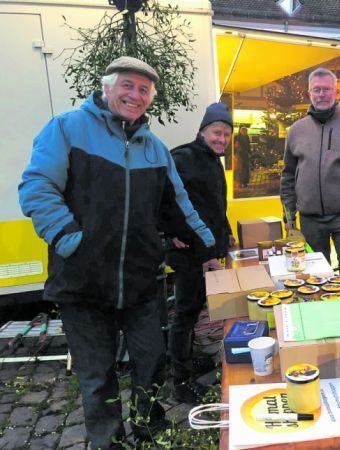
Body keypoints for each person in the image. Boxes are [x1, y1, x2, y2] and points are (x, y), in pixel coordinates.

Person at [18, 56, 215, 450]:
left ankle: (146, 426)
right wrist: (71, 239)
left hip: (140, 281)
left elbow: (177, 204)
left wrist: (208, 244)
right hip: (83, 282)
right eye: (127, 85)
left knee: (151, 360)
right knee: (97, 376)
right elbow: (37, 187)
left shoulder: (154, 148)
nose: (135, 95)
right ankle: (108, 441)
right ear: (107, 87)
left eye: (144, 90)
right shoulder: (67, 128)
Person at [280, 67, 340, 319]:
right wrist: (289, 214)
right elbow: (288, 174)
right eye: (317, 89)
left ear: (336, 91)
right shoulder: (296, 131)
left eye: (327, 89)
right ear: (309, 92)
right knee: (313, 280)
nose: (322, 94)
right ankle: (322, 328)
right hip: (310, 219)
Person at [166, 102, 235, 403]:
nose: (221, 139)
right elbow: (160, 196)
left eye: (226, 135)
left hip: (206, 249)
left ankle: (186, 359)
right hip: (188, 253)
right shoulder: (183, 157)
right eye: (216, 133)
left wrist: (227, 232)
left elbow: (214, 205)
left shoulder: (211, 160)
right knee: (185, 313)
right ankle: (180, 380)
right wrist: (169, 233)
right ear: (203, 131)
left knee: (194, 311)